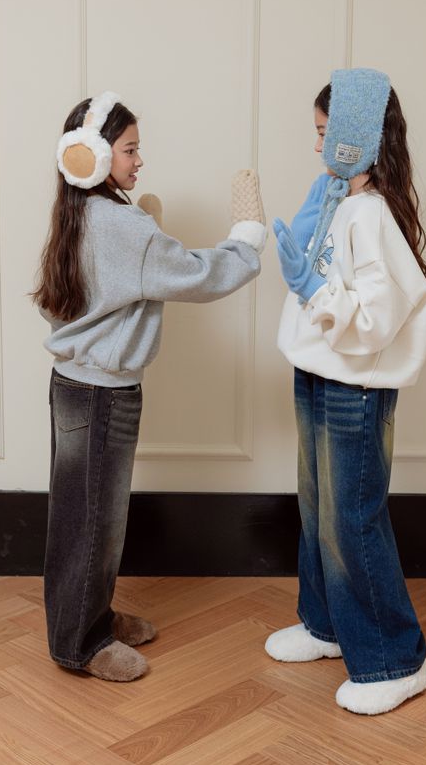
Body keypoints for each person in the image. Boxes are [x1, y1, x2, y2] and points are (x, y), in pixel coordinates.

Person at [33, 91, 266, 682]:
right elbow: (197, 275)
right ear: (89, 156)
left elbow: (91, 292)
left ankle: (90, 617)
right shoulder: (121, 224)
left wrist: (144, 238)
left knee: (81, 516)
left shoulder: (79, 213)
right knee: (96, 520)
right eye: (130, 150)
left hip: (73, 384)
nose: (140, 161)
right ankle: (79, 645)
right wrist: (247, 239)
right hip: (103, 395)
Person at [267, 68, 426, 715]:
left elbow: (376, 318)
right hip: (318, 371)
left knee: (352, 517)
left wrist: (314, 288)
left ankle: (395, 658)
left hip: (354, 385)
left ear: (354, 136)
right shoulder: (339, 203)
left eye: (323, 132)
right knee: (317, 507)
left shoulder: (371, 214)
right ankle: (327, 624)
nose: (316, 146)